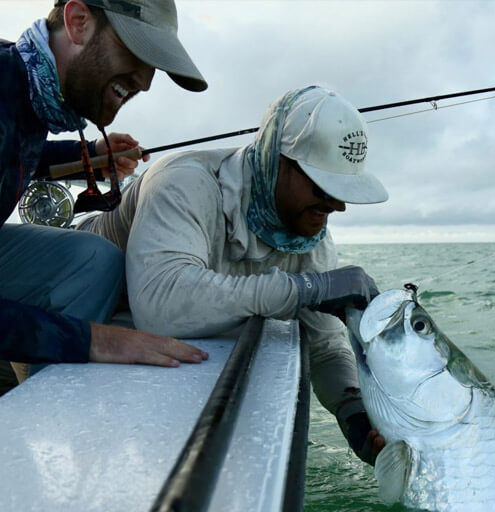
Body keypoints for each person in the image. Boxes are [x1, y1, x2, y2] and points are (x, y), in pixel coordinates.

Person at [78, 86, 388, 463]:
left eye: (343, 191)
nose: (337, 204)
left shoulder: (310, 233)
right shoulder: (183, 182)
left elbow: (324, 347)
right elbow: (160, 307)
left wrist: (353, 413)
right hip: (69, 295)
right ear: (278, 160)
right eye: (323, 185)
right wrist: (304, 290)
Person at [0, 0, 210, 393]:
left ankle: (54, 399)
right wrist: (92, 340)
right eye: (136, 48)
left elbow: (12, 152)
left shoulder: (24, 86)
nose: (146, 82)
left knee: (94, 259)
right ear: (78, 22)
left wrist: (89, 158)